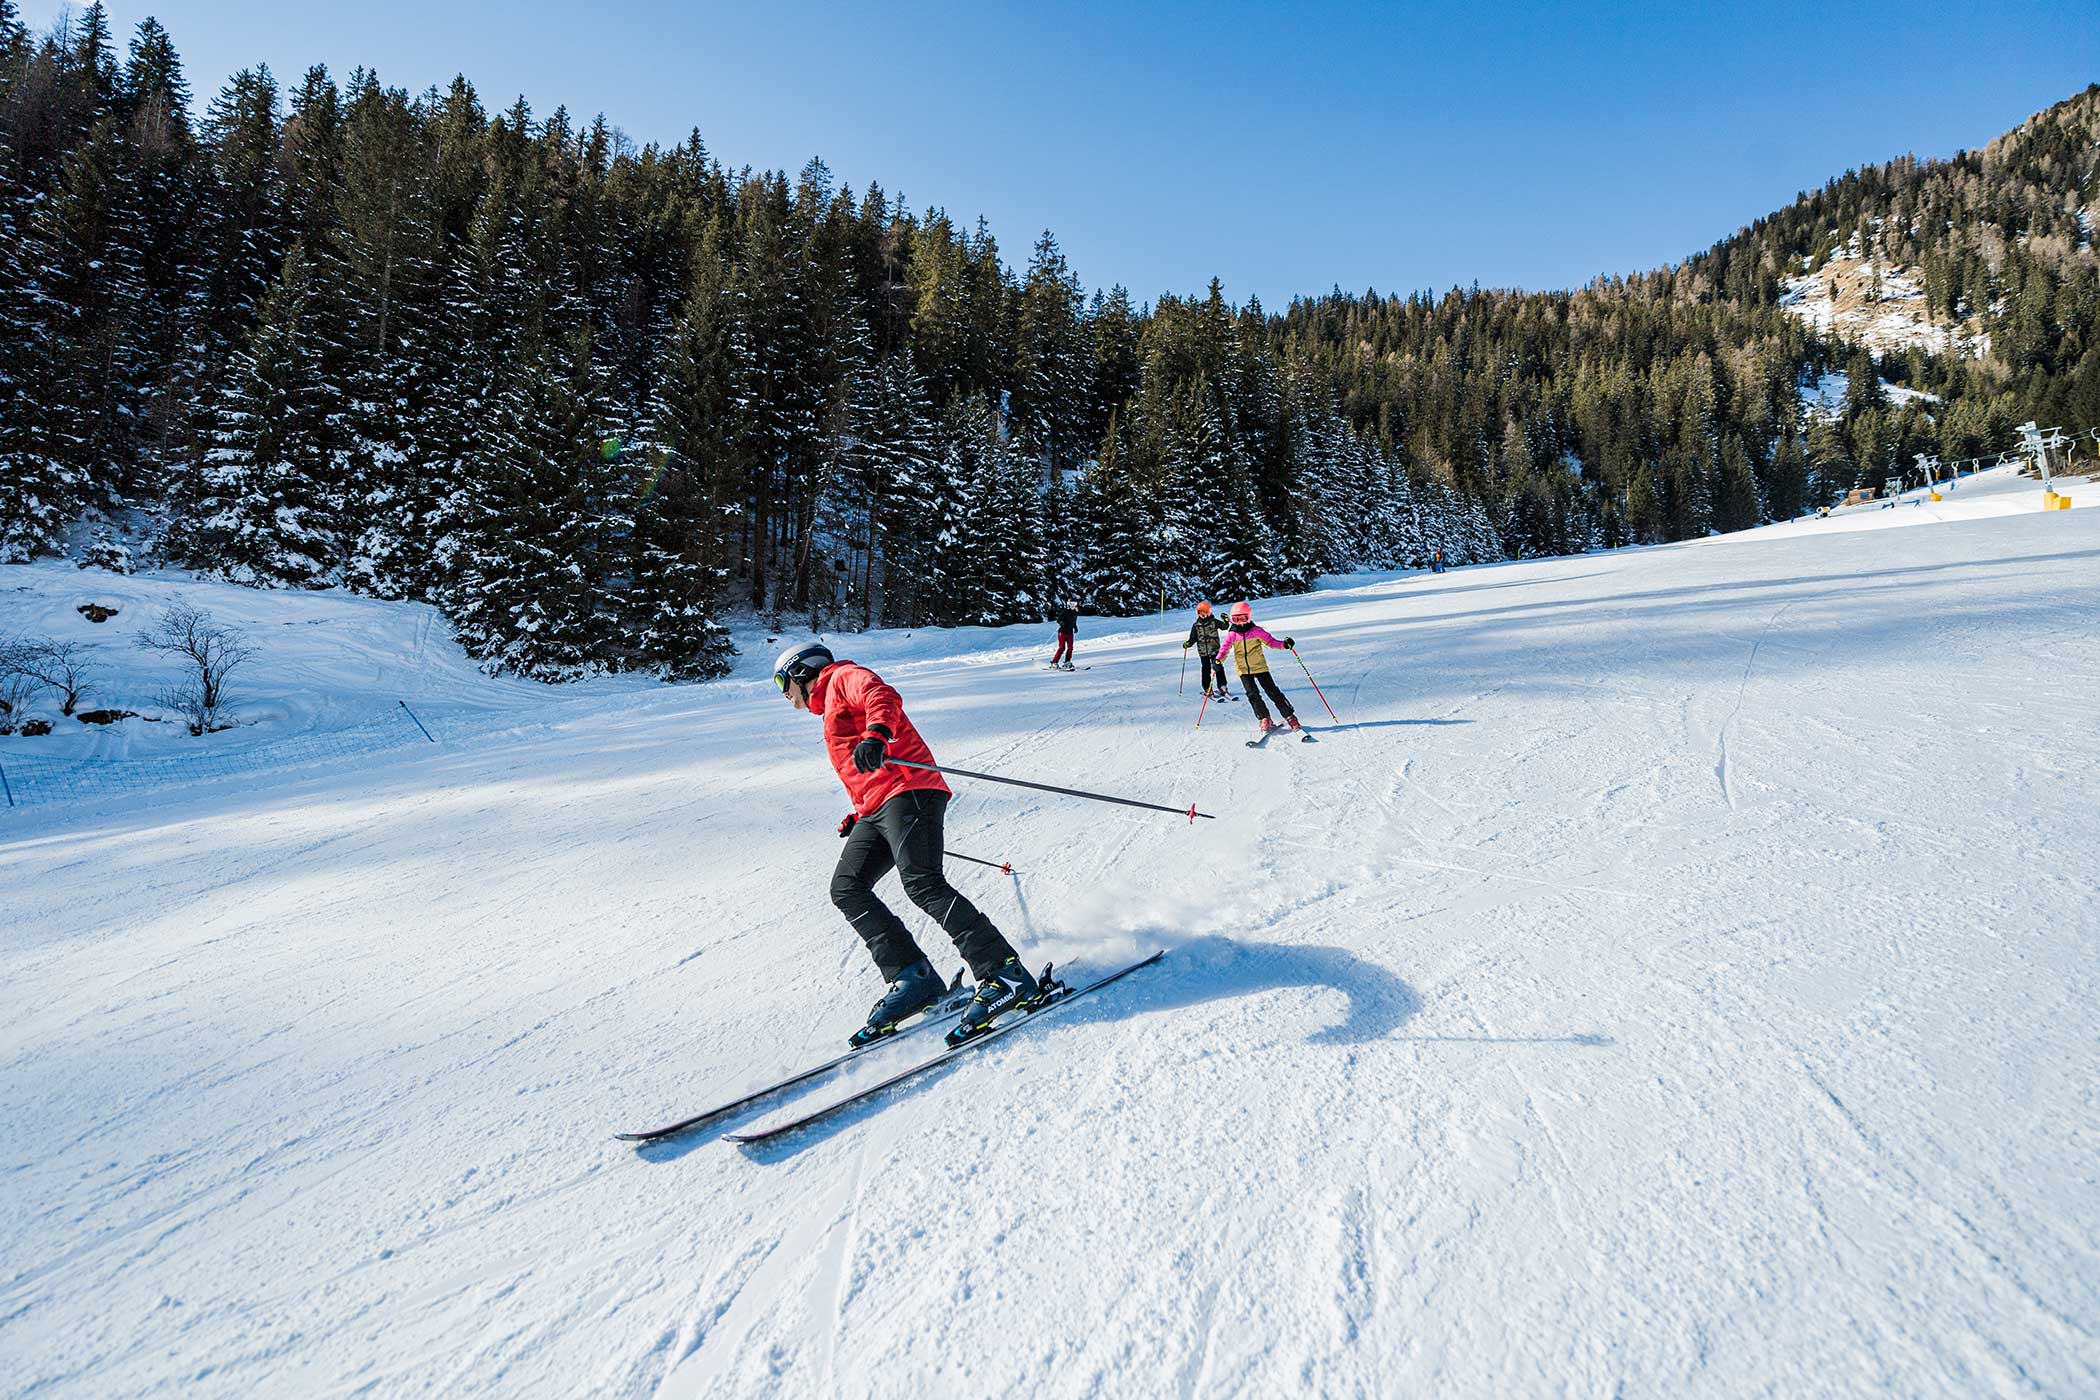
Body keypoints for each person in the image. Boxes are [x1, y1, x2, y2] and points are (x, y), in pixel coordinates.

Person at [772, 641, 1047, 1047]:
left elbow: (880, 695)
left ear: (800, 672)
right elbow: (861, 770)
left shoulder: (841, 679)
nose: (783, 694)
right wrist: (860, 810)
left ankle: (1004, 973)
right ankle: (914, 978)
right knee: (847, 887)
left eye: (782, 682)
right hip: (878, 805)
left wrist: (878, 734)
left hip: (910, 789)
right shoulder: (829, 707)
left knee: (922, 882)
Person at [1214, 601, 1301, 736]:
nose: (1240, 623)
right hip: (1243, 670)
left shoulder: (1256, 631)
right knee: (1252, 695)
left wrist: (1284, 644)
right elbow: (1224, 649)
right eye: (1236, 619)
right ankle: (1264, 717)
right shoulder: (1232, 634)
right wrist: (1218, 660)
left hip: (1260, 667)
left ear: (1248, 617)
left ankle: (1289, 715)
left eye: (1243, 618)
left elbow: (1271, 642)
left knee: (1273, 692)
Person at [1181, 600, 1232, 699]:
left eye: (1204, 612)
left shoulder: (1213, 622)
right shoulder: (1196, 626)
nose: (1203, 614)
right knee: (1206, 669)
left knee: (1218, 668)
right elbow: (1193, 638)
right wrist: (1188, 643)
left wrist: (1226, 621)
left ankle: (1222, 686)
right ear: (1198, 613)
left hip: (1214, 649)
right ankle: (1207, 688)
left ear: (1208, 612)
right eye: (1200, 612)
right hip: (1203, 652)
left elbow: (1224, 627)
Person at [1049, 601, 1078, 670]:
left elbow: (1074, 621)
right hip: (1062, 632)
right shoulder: (1064, 611)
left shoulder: (1075, 612)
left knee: (1070, 647)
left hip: (1070, 632)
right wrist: (1062, 623)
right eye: (1072, 604)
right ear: (1069, 605)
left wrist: (1075, 627)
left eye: (1075, 604)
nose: (1074, 606)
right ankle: (1054, 662)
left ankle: (1067, 662)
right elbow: (1058, 620)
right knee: (1062, 648)